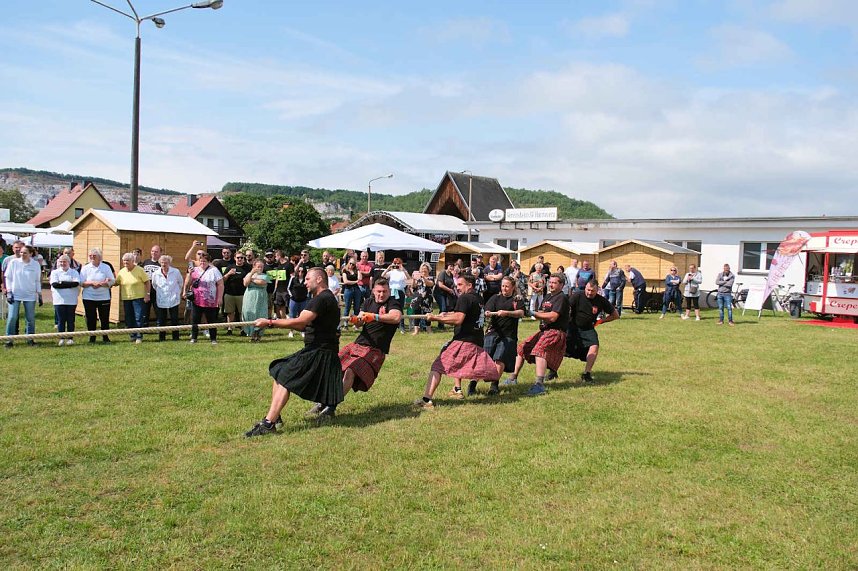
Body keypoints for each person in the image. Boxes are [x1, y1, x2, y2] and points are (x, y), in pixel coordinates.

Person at [245, 268, 343, 436]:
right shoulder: (323, 298)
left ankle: (268, 424)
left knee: (285, 377)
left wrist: (270, 322)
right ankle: (274, 417)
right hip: (317, 349)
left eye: (308, 278)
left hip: (320, 351)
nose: (304, 282)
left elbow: (301, 323)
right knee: (278, 369)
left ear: (319, 279)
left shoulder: (322, 298)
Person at [309, 277, 404, 418]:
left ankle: (331, 407)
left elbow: (396, 317)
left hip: (375, 350)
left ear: (389, 291)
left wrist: (375, 316)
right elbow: (359, 323)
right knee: (333, 367)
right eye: (378, 291)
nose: (381, 294)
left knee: (351, 370)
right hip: (358, 344)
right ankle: (322, 402)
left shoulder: (393, 303)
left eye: (384, 291)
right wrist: (357, 320)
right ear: (373, 291)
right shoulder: (368, 302)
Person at [413, 274, 500, 408]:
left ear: (469, 285)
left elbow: (459, 319)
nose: (457, 287)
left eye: (460, 285)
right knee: (456, 365)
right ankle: (456, 389)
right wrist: (445, 314)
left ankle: (426, 400)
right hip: (476, 340)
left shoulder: (464, 298)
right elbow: (465, 314)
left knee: (437, 366)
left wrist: (435, 319)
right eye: (456, 285)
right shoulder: (478, 298)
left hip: (463, 341)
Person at [502, 274, 569, 396]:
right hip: (544, 330)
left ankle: (539, 385)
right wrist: (530, 312)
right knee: (522, 348)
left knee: (539, 351)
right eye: (550, 282)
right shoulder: (548, 296)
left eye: (554, 283)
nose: (551, 284)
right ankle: (513, 378)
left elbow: (553, 317)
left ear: (561, 285)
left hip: (555, 331)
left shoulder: (561, 298)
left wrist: (534, 313)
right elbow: (543, 312)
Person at [467, 276, 525, 396]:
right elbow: (487, 310)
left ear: (513, 287)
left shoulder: (517, 300)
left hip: (508, 335)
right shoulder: (495, 298)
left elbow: (521, 313)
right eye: (503, 286)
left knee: (500, 358)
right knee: (483, 359)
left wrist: (507, 313)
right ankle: (472, 385)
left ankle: (494, 386)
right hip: (492, 332)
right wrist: (487, 313)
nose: (504, 288)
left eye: (507, 286)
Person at [565, 279, 619, 383]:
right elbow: (566, 308)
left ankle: (586, 374)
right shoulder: (577, 295)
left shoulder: (601, 300)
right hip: (572, 327)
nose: (589, 293)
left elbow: (615, 315)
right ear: (585, 288)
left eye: (592, 291)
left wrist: (601, 321)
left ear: (597, 290)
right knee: (561, 348)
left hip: (588, 329)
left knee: (595, 346)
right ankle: (553, 371)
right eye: (588, 290)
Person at [3, 245, 42, 347]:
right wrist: (9, 292)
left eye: (25, 253)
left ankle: (30, 339)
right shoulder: (14, 263)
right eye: (21, 252)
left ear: (31, 254)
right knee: (12, 317)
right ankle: (9, 340)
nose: (22, 254)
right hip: (15, 294)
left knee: (30, 318)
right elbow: (8, 277)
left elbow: (37, 280)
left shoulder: (35, 265)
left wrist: (40, 294)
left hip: (30, 295)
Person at [185, 252, 224, 344]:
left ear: (208, 261)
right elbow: (189, 282)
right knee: (195, 319)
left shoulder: (214, 270)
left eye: (204, 261)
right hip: (197, 299)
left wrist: (219, 297)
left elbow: (220, 284)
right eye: (201, 261)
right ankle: (194, 338)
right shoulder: (194, 269)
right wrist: (189, 274)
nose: (202, 263)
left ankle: (213, 339)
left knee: (211, 320)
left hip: (210, 300)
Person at [113, 252, 151, 344]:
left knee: (138, 317)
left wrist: (147, 294)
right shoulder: (122, 271)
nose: (125, 262)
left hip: (138, 298)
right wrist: (108, 282)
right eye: (124, 260)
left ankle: (139, 336)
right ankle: (132, 335)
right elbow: (117, 282)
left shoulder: (140, 270)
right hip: (126, 298)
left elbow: (147, 282)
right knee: (129, 318)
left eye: (127, 260)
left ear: (133, 261)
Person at [79, 248, 114, 343]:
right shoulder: (85, 268)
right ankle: (92, 337)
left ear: (99, 257)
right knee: (91, 318)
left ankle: (105, 337)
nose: (92, 257)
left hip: (104, 297)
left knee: (104, 318)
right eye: (90, 256)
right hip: (89, 297)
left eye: (94, 256)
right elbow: (81, 282)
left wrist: (104, 283)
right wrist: (91, 283)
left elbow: (112, 280)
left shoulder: (106, 267)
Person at [150, 254, 183, 341]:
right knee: (161, 320)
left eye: (166, 262)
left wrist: (176, 293)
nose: (164, 264)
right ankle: (162, 337)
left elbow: (180, 283)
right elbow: (154, 285)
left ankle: (175, 337)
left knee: (174, 319)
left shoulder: (176, 272)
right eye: (162, 263)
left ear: (169, 263)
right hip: (161, 299)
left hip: (173, 299)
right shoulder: (156, 273)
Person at [50, 253, 81, 346]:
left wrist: (61, 283)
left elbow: (76, 283)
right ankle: (61, 338)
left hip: (71, 300)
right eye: (61, 262)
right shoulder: (55, 272)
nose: (62, 263)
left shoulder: (74, 272)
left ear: (69, 262)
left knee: (71, 319)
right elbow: (55, 285)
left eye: (65, 262)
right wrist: (68, 284)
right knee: (61, 320)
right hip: (59, 300)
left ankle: (70, 338)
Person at [222, 251, 252, 335]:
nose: (240, 259)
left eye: (241, 258)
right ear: (235, 258)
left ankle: (243, 329)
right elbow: (222, 280)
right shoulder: (230, 267)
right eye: (238, 257)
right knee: (230, 312)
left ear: (244, 259)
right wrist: (228, 274)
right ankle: (230, 328)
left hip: (243, 294)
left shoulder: (248, 268)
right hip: (229, 294)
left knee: (242, 312)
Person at [242, 259, 270, 342]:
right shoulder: (249, 274)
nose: (260, 268)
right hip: (249, 297)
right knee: (248, 313)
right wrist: (251, 273)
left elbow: (262, 282)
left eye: (261, 267)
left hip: (260, 297)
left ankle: (258, 334)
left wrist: (252, 279)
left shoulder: (265, 275)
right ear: (254, 267)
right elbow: (245, 283)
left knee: (260, 314)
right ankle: (251, 334)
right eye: (258, 266)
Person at [287, 251, 312, 338]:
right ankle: (291, 331)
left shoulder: (306, 280)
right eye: (299, 271)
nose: (300, 273)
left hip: (303, 300)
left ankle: (302, 331)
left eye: (302, 271)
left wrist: (306, 295)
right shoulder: (293, 278)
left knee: (302, 316)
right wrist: (291, 296)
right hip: (294, 300)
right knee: (292, 316)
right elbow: (288, 288)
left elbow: (309, 288)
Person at [382, 257, 408, 333]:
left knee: (400, 308)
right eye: (395, 263)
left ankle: (402, 326)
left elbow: (408, 278)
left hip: (400, 292)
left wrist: (403, 269)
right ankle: (391, 325)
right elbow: (383, 275)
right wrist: (389, 268)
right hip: (392, 291)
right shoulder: (391, 272)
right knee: (390, 308)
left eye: (398, 263)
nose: (396, 265)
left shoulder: (403, 272)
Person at [140, 245, 162, 326]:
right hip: (146, 290)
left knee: (158, 310)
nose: (154, 253)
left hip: (157, 291)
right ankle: (145, 327)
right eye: (152, 251)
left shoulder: (161, 263)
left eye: (156, 251)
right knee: (145, 310)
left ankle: (160, 327)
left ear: (160, 253)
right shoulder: (146, 262)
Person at [409, 263, 434, 335]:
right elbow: (413, 287)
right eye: (422, 269)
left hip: (427, 299)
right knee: (417, 314)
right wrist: (413, 279)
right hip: (417, 298)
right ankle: (416, 331)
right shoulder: (418, 279)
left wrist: (424, 278)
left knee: (427, 314)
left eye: (425, 269)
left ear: (428, 270)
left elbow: (430, 284)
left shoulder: (431, 278)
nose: (423, 270)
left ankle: (429, 330)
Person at [433, 262, 455, 331]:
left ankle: (441, 323)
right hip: (439, 293)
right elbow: (440, 285)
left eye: (452, 266)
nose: (451, 268)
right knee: (443, 308)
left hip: (446, 294)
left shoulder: (451, 274)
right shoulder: (442, 273)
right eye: (450, 266)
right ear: (447, 266)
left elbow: (451, 284)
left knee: (445, 308)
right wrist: (449, 290)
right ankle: (440, 325)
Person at [272, 250, 293, 320]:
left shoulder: (289, 265)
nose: (275, 258)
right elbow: (277, 278)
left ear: (279, 256)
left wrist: (290, 288)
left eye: (275, 256)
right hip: (278, 289)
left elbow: (292, 276)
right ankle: (282, 319)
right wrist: (275, 289)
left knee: (287, 305)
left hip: (286, 289)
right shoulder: (279, 266)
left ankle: (289, 319)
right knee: (279, 305)